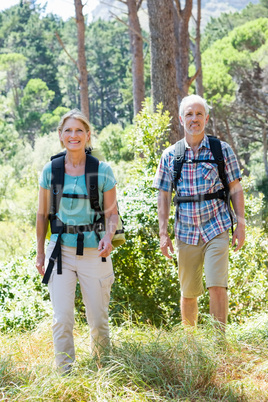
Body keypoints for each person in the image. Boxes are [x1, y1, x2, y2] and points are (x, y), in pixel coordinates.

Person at [36, 109, 118, 373]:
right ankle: (65, 373)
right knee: (62, 319)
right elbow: (41, 214)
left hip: (95, 252)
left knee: (98, 320)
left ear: (88, 135)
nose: (74, 135)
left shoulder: (102, 171)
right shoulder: (51, 170)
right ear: (60, 136)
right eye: (68, 131)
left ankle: (103, 369)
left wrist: (108, 236)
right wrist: (40, 253)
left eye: (79, 130)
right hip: (60, 253)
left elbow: (112, 214)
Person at [153, 95, 245, 330]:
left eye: (199, 114)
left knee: (217, 285)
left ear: (206, 118)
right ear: (181, 119)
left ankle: (218, 343)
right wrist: (163, 234)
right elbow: (163, 196)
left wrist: (241, 225)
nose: (194, 119)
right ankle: (192, 346)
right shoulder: (171, 155)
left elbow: (235, 187)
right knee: (189, 291)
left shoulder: (220, 150)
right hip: (185, 231)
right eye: (189, 115)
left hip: (217, 227)